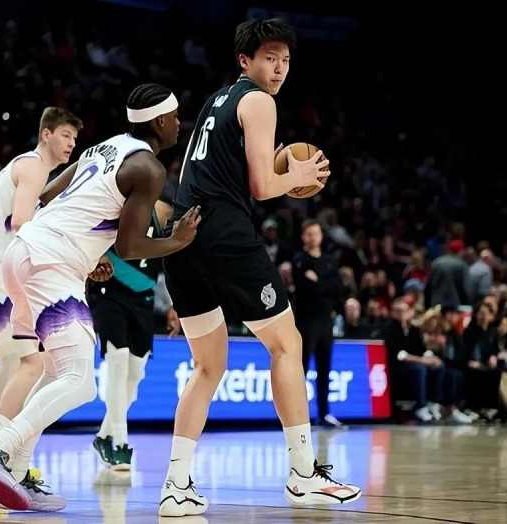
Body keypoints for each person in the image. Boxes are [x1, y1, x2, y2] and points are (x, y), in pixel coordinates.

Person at [0, 83, 200, 512]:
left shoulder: (105, 147)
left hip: (21, 255)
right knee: (80, 381)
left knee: (49, 370)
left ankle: (13, 470)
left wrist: (88, 250)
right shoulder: (148, 168)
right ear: (159, 120)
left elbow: (48, 195)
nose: (179, 124)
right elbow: (130, 247)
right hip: (51, 265)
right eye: (175, 116)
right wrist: (177, 240)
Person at [159, 18, 361, 517]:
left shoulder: (216, 102)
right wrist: (299, 173)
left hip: (182, 238)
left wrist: (275, 165)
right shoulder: (259, 101)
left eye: (286, 60)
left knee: (209, 366)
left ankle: (175, 485)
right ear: (245, 60)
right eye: (270, 58)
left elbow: (220, 170)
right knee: (287, 343)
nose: (279, 68)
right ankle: (303, 474)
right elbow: (262, 187)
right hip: (224, 235)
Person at [0, 106, 82, 510]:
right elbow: (22, 222)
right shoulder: (34, 166)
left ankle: (0, 465)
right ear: (45, 134)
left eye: (75, 138)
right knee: (35, 363)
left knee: (12, 363)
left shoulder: (30, 170)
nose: (71, 143)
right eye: (65, 135)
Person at [88, 190, 179, 470]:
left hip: (143, 299)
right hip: (109, 290)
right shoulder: (124, 207)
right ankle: (120, 443)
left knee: (135, 374)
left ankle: (103, 436)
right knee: (117, 361)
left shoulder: (168, 223)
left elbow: (168, 270)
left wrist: (172, 306)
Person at [291, 219, 344, 428]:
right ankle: (297, 414)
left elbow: (338, 289)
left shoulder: (329, 261)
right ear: (303, 237)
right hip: (306, 322)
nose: (313, 237)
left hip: (325, 322)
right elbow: (303, 286)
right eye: (309, 234)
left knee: (325, 369)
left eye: (316, 233)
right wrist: (325, 285)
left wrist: (318, 282)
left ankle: (324, 413)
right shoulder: (300, 260)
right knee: (301, 369)